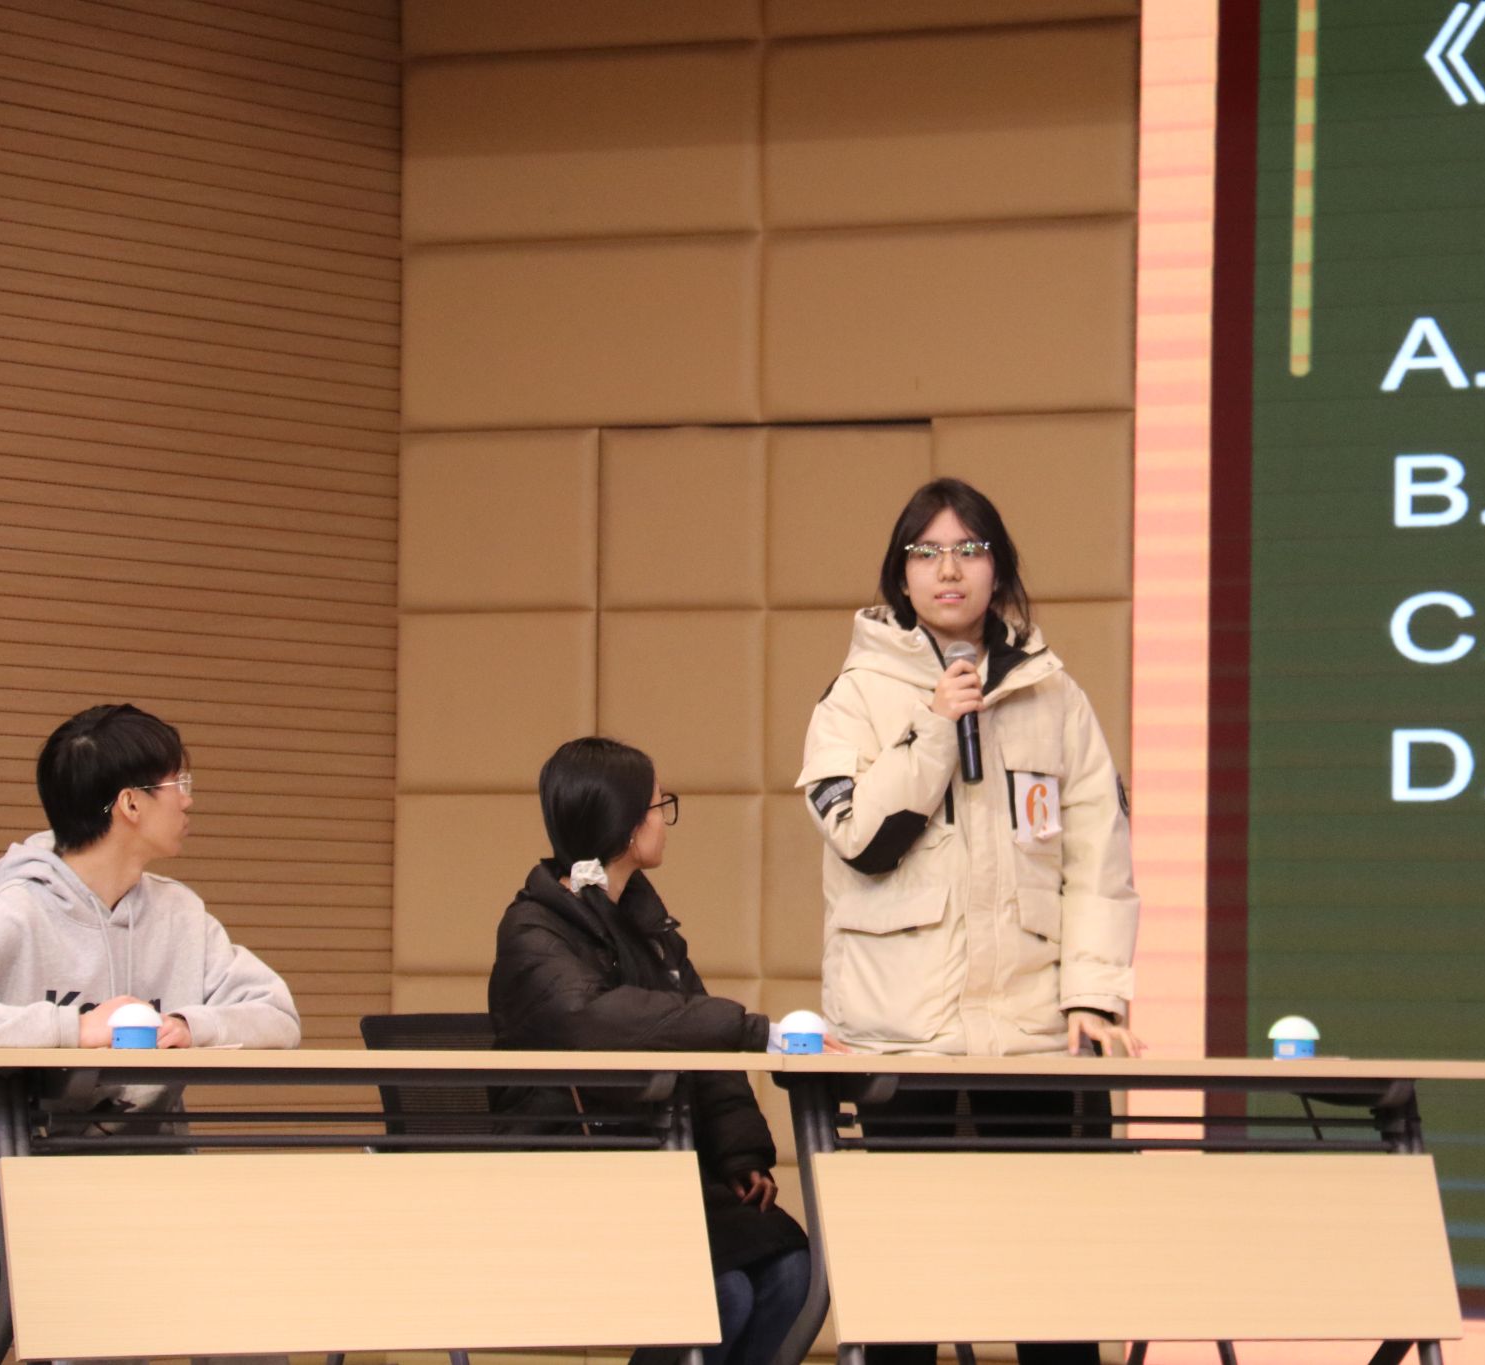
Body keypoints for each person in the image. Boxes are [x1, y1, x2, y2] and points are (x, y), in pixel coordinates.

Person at [796, 478, 1140, 1365]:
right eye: (928, 552)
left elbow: (1098, 857)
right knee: (908, 1290)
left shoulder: (1053, 693)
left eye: (969, 550)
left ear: (999, 567)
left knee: (1052, 1288)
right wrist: (935, 729)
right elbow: (860, 838)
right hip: (904, 1032)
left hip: (1032, 1031)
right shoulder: (855, 696)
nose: (949, 569)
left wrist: (1093, 993)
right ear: (901, 573)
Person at [0, 703, 302, 1259]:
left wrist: (190, 1026)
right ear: (131, 804)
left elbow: (277, 1015)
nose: (188, 800)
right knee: (100, 1255)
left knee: (255, 1249)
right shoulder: (17, 911)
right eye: (178, 784)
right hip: (4, 1179)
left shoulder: (180, 914)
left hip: (144, 1179)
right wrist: (73, 1028)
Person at [489, 737, 810, 1365]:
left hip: (661, 1167)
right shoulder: (532, 928)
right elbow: (590, 1019)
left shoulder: (648, 924)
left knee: (791, 1270)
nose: (665, 819)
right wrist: (749, 1028)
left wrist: (740, 1153)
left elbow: (694, 1034)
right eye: (659, 805)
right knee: (723, 1295)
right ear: (626, 825)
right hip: (576, 1172)